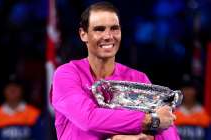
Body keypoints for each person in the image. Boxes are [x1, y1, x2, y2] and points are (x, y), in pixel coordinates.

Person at [51, 1, 180, 140]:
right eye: (99, 29)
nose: (108, 36)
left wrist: (149, 137)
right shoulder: (67, 74)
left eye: (114, 28)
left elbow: (168, 130)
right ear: (83, 34)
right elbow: (87, 119)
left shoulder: (138, 78)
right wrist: (149, 121)